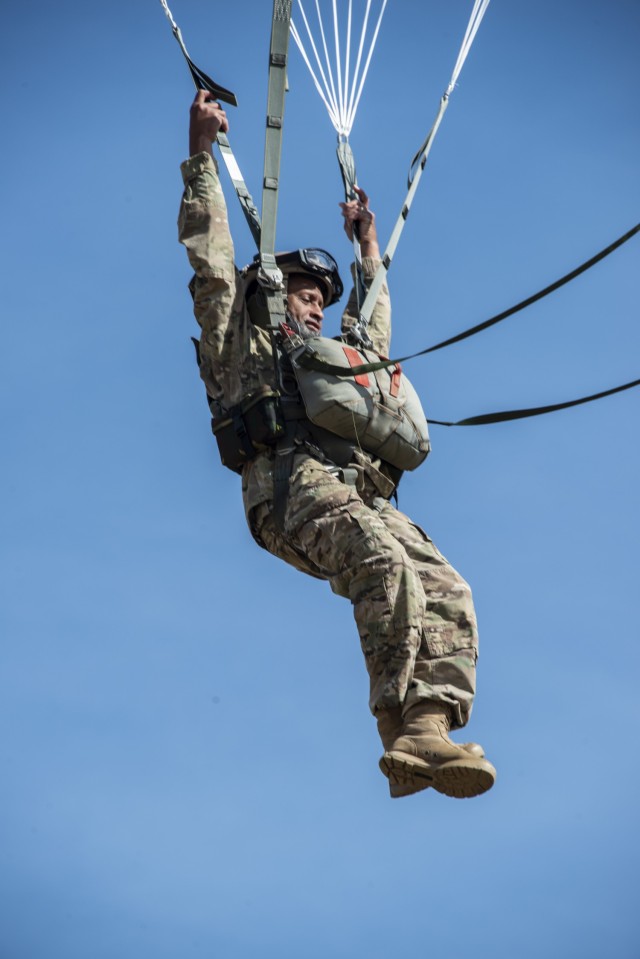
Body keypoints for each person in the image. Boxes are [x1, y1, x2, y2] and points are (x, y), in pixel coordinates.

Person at [178, 90, 496, 799]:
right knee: (381, 561)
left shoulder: (326, 354)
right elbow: (210, 256)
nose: (315, 300)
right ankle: (398, 722)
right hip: (287, 487)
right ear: (272, 291)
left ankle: (429, 728)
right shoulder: (246, 339)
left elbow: (369, 345)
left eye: (323, 293)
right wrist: (201, 155)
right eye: (301, 289)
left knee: (447, 586)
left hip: (354, 489)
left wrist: (367, 250)